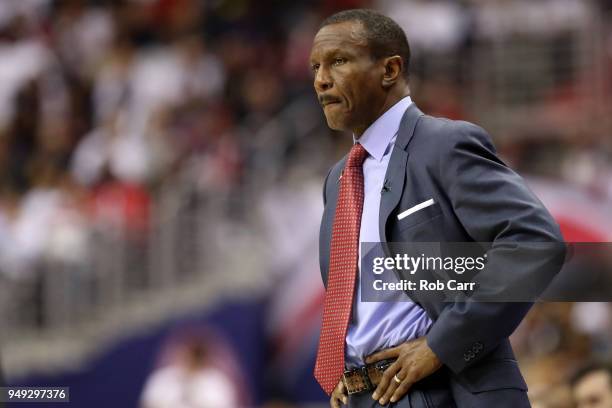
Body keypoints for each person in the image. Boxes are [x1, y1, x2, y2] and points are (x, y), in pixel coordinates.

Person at [310, 9, 565, 408]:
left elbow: (534, 242)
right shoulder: (338, 178)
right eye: (315, 67)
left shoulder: (444, 144)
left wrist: (439, 345)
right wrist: (349, 367)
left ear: (390, 69)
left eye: (338, 61)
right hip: (368, 395)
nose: (321, 80)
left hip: (446, 390)